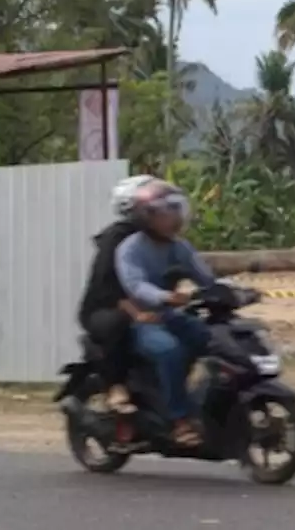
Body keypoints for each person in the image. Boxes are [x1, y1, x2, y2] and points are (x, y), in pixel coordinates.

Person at [114, 179, 217, 447]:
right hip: (142, 320)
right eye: (166, 211)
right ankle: (180, 420)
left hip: (170, 315)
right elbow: (136, 285)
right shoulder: (130, 249)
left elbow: (205, 277)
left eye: (176, 209)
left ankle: (204, 402)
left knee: (209, 337)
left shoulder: (179, 247)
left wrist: (234, 291)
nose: (175, 217)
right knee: (170, 351)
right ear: (147, 216)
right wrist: (165, 296)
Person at [76, 175, 160, 414]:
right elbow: (109, 283)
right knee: (118, 324)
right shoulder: (118, 237)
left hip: (144, 305)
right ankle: (116, 387)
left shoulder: (159, 236)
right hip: (105, 308)